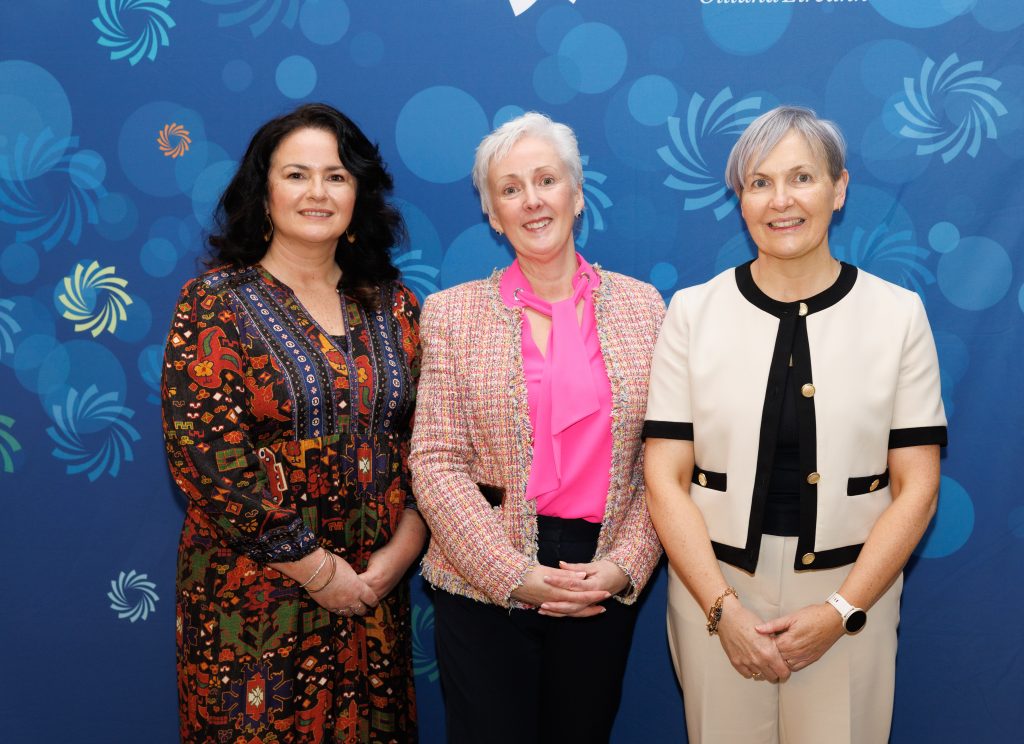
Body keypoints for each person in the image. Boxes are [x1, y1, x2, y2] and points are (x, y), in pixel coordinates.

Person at [643, 105, 947, 744]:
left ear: (839, 189)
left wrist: (841, 609)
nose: (780, 200)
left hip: (853, 592)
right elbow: (664, 479)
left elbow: (917, 488)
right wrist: (722, 611)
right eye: (760, 182)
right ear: (741, 199)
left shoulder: (899, 316)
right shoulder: (692, 313)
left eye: (801, 178)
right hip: (714, 592)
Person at [161, 102, 425, 743]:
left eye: (336, 176)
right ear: (264, 192)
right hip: (252, 607)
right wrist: (316, 571)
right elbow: (208, 460)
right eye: (297, 175)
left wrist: (398, 556)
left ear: (359, 193)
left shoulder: (397, 307)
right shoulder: (216, 304)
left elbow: (432, 447)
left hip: (373, 599)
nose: (318, 192)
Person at [409, 112, 665, 743]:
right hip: (480, 579)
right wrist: (507, 572)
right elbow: (435, 461)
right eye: (510, 188)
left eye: (546, 180)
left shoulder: (645, 308)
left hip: (599, 579)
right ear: (493, 214)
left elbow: (663, 460)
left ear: (576, 195)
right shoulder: (449, 313)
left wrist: (625, 565)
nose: (532, 200)